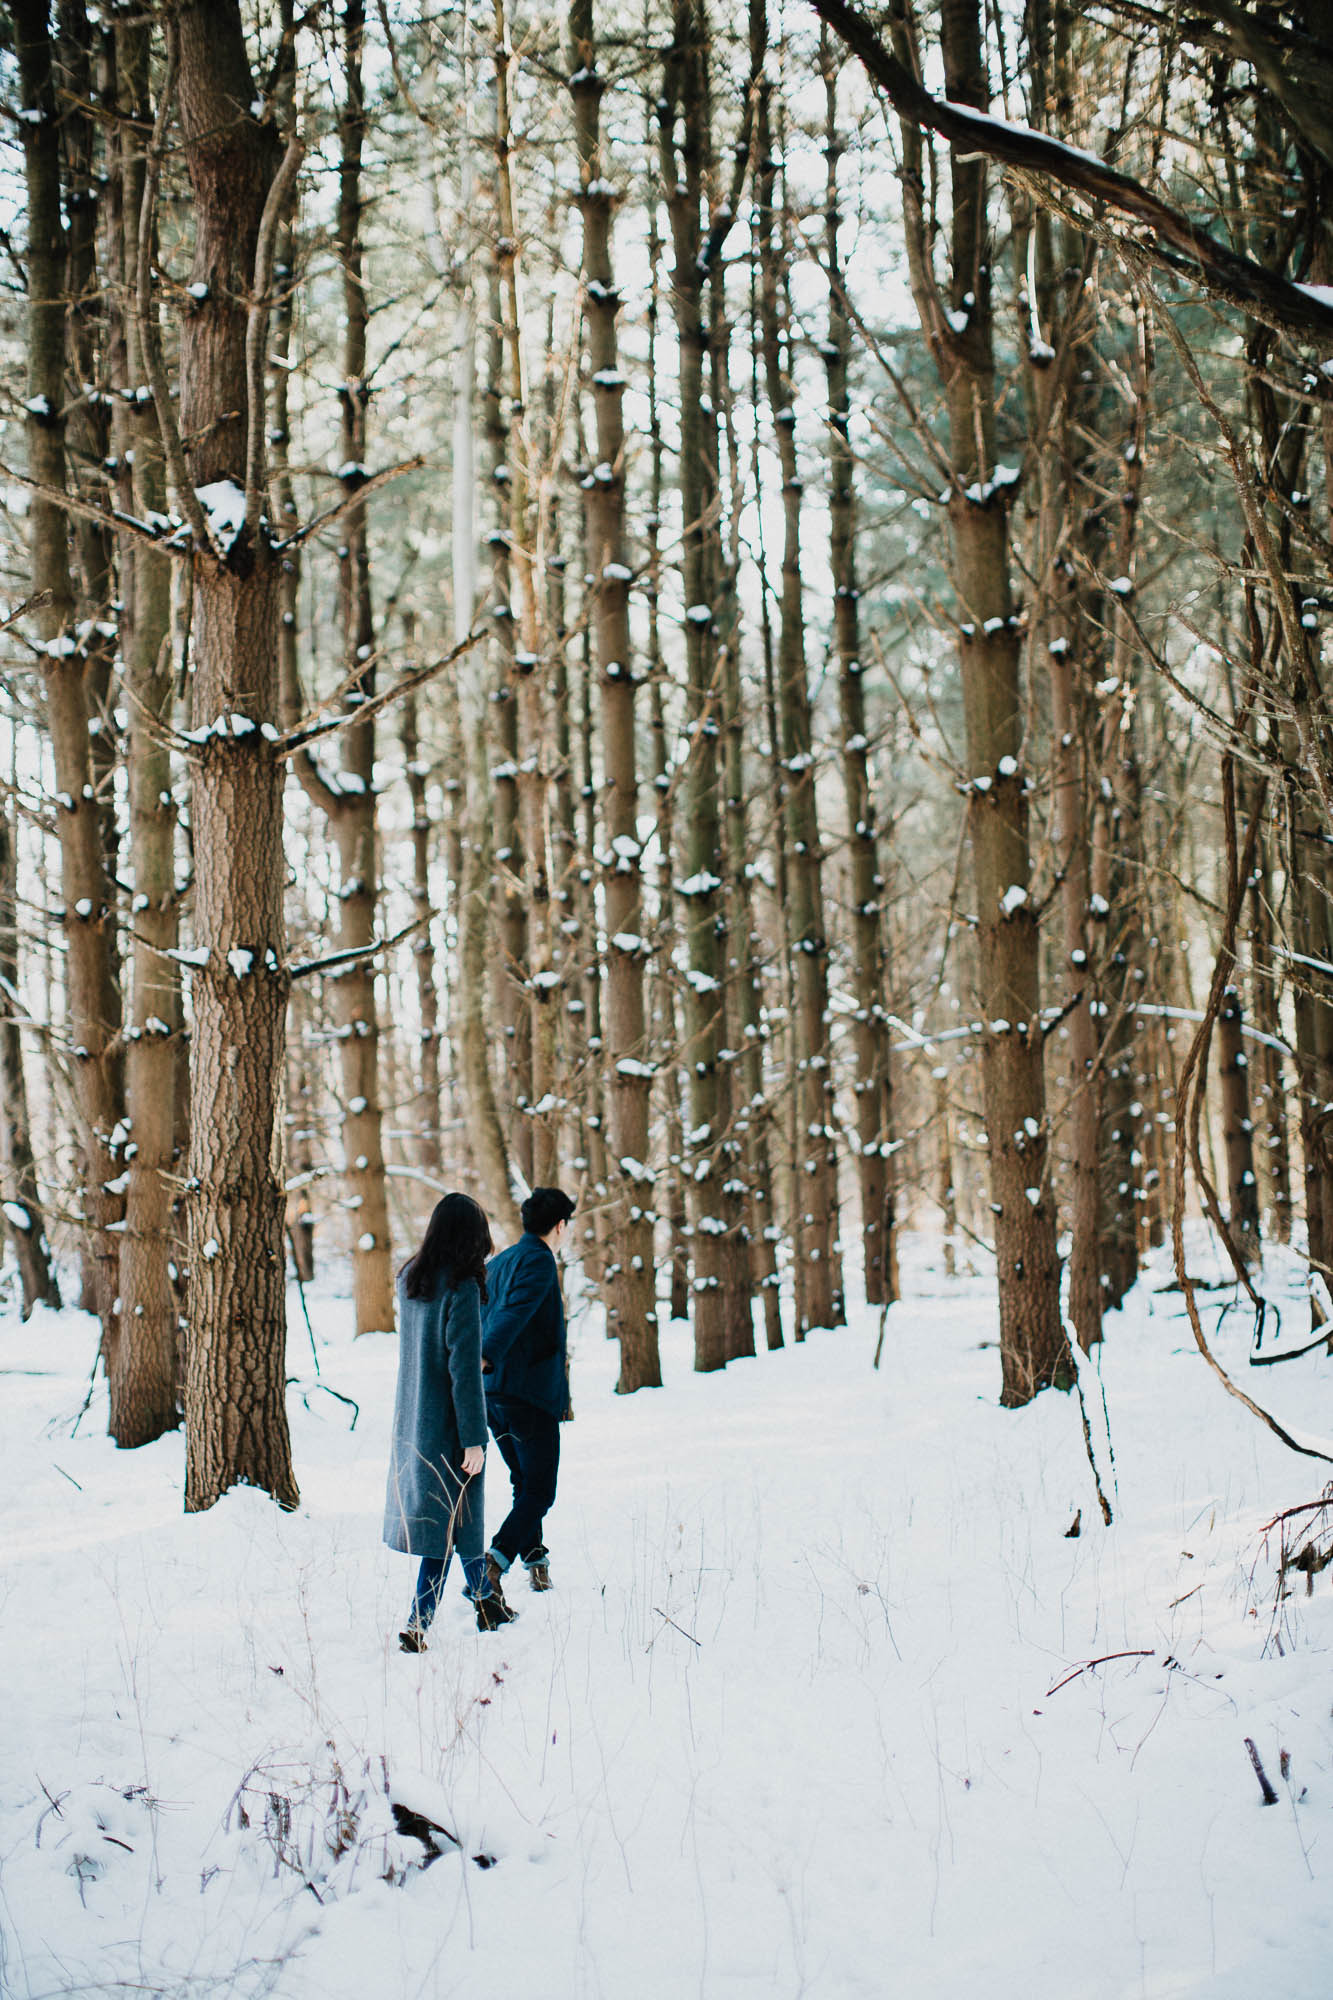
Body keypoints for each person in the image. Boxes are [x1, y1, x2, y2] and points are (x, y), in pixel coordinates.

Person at [384, 1192, 518, 1650]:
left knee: (457, 1523)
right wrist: (474, 1440)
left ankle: (487, 1603)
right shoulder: (460, 1290)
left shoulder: (411, 1280)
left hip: (414, 1423)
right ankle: (417, 1625)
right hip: (448, 1428)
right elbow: (464, 1372)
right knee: (449, 1527)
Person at [481, 1186, 576, 1598]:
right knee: (541, 1490)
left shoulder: (500, 1261)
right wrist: (484, 1356)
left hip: (495, 1397)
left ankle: (536, 1562)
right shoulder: (538, 1261)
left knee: (525, 1482)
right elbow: (511, 1313)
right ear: (560, 1225)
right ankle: (495, 1561)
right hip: (526, 1395)